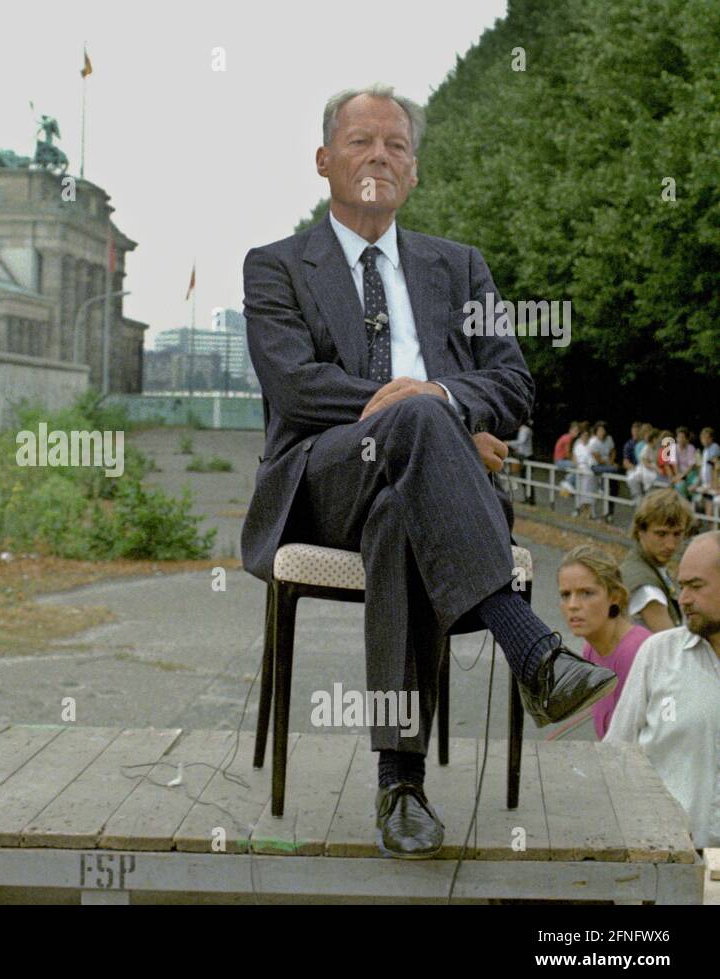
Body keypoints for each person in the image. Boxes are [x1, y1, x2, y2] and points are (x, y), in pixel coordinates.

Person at [241, 83, 616, 860]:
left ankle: (399, 786)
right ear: (323, 160)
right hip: (321, 483)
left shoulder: (461, 267)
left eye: (397, 146)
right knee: (415, 419)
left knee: (399, 516)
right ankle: (530, 649)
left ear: (414, 173)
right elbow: (294, 386)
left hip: (419, 496)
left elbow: (512, 386)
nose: (380, 156)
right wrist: (433, 416)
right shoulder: (276, 266)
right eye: (360, 142)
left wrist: (440, 406)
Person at [604, 531, 720, 848]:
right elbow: (616, 755)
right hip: (666, 862)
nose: (683, 599)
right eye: (681, 586)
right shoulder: (658, 654)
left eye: (696, 586)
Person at [556, 546, 652, 739]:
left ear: (614, 596)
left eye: (587, 593)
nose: (573, 605)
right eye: (566, 595)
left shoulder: (635, 652)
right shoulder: (591, 649)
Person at [619, 488, 692, 633]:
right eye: (661, 534)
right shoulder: (646, 589)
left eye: (677, 534)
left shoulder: (649, 565)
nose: (670, 545)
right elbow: (672, 646)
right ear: (640, 531)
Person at [589, 421, 617, 519]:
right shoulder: (593, 442)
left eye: (603, 430)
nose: (602, 432)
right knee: (613, 469)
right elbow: (597, 458)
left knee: (614, 471)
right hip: (596, 465)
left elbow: (613, 451)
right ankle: (602, 487)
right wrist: (610, 463)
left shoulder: (609, 439)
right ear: (596, 431)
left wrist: (612, 460)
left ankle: (609, 490)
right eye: (600, 430)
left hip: (608, 465)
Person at [504, 419, 534, 503]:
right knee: (526, 478)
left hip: (525, 456)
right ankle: (529, 498)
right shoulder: (526, 430)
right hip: (525, 455)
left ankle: (530, 499)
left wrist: (508, 443)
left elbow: (521, 442)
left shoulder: (525, 430)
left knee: (526, 478)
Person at [571, 422, 596, 519]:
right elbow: (575, 458)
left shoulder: (591, 446)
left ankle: (589, 513)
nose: (585, 437)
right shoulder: (578, 446)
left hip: (589, 472)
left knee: (588, 492)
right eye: (583, 435)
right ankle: (580, 511)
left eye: (586, 435)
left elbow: (592, 460)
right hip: (580, 471)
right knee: (580, 491)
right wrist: (577, 466)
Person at [554, 420, 580, 496]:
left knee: (577, 466)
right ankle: (567, 481)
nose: (576, 433)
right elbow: (568, 453)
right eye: (575, 430)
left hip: (562, 460)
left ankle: (569, 481)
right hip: (560, 461)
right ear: (570, 430)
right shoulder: (568, 438)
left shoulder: (567, 437)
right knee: (578, 466)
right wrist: (574, 461)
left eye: (577, 431)